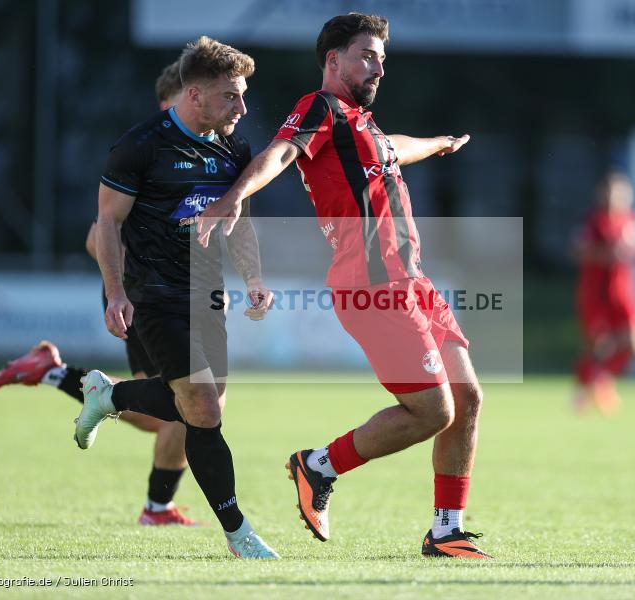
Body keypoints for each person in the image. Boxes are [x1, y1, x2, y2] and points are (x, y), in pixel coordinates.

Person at [197, 13, 491, 559]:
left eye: (382, 56)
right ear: (333, 60)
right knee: (434, 412)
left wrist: (439, 143)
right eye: (367, 55)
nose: (379, 65)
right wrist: (238, 194)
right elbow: (282, 152)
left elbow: (395, 147)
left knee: (468, 397)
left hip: (413, 281)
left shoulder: (364, 125)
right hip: (373, 284)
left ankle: (446, 531)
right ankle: (317, 466)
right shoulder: (320, 107)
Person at [71, 36, 279, 559]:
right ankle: (239, 534)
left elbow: (239, 222)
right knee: (204, 410)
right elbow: (108, 224)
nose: (242, 106)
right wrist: (116, 292)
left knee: (206, 407)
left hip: (208, 296)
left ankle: (109, 397)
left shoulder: (234, 147)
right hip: (153, 294)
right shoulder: (140, 145)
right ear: (194, 95)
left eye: (243, 94)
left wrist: (253, 279)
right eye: (232, 95)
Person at [0, 59, 198, 526]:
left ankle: (53, 374)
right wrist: (131, 283)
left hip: (160, 292)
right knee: (190, 403)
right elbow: (95, 234)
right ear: (171, 103)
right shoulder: (154, 152)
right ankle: (157, 509)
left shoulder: (191, 155)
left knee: (158, 411)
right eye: (193, 98)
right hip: (147, 295)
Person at [571, 171, 635, 415]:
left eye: (621, 193)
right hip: (597, 294)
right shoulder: (594, 222)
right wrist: (607, 254)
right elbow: (579, 252)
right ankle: (587, 386)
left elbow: (630, 252)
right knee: (599, 346)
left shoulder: (632, 221)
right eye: (611, 192)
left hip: (624, 293)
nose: (616, 198)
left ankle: (597, 380)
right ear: (602, 195)